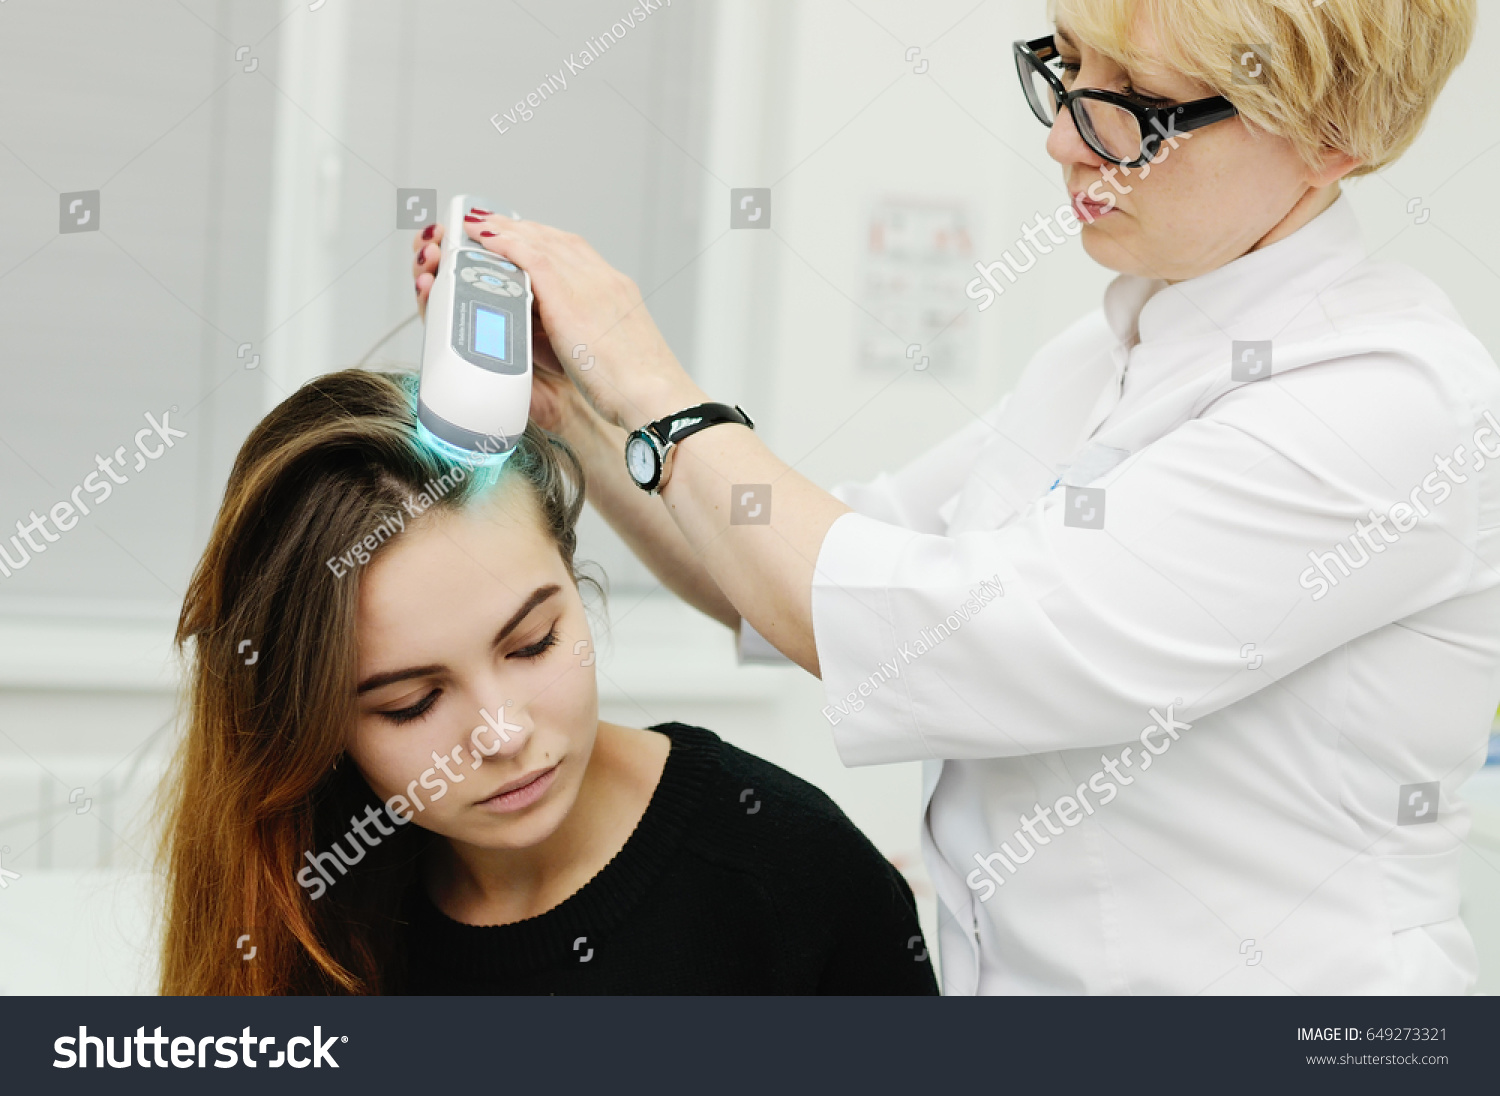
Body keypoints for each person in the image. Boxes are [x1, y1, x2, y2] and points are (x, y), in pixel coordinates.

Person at [416, 0, 1496, 993]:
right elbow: (793, 572)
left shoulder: (1391, 402)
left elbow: (931, 631)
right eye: (1067, 68)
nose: (1066, 139)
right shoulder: (1106, 351)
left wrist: (650, 378)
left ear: (1330, 136)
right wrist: (584, 418)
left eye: (1141, 108)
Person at [155, 368, 936, 995]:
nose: (504, 734)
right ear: (313, 727)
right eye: (412, 703)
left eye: (532, 646)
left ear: (574, 580)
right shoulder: (308, 899)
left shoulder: (788, 873)